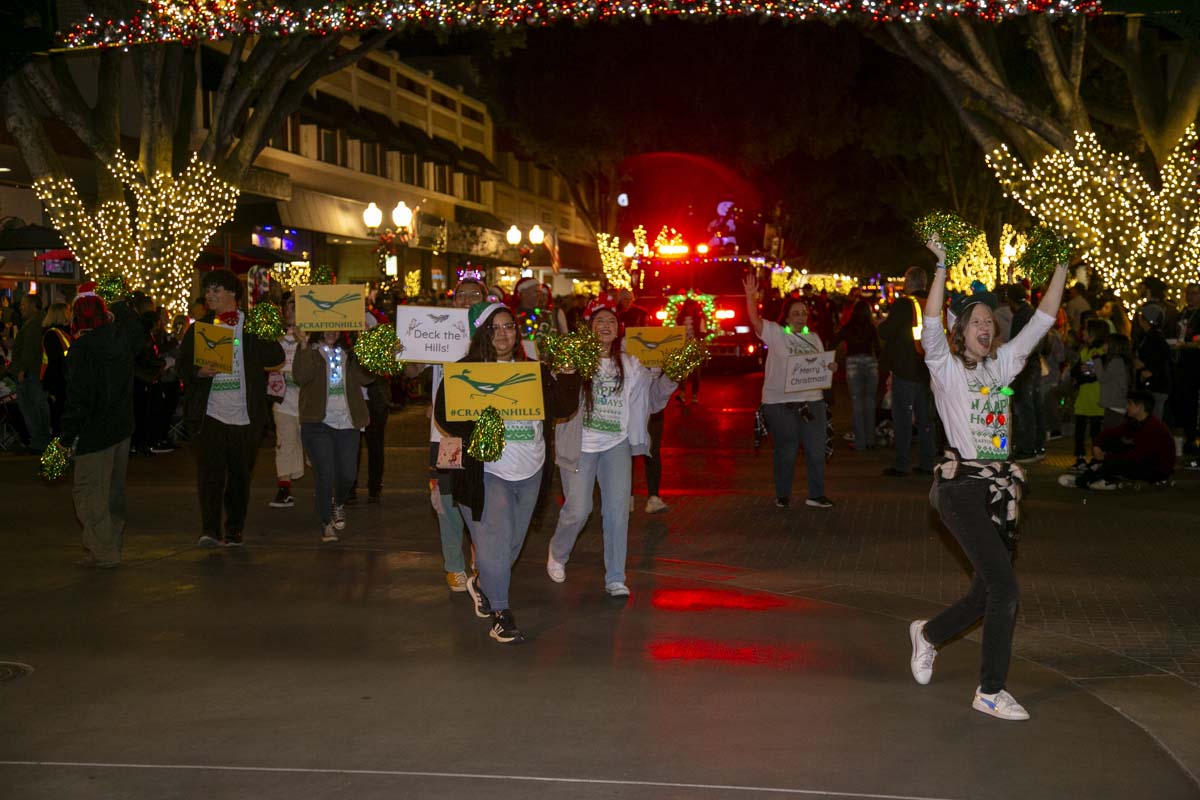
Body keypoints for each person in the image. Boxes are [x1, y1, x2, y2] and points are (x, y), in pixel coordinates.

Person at [907, 237, 1068, 722]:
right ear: (961, 332)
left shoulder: (1003, 365)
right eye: (975, 321)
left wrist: (1060, 265)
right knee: (1006, 589)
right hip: (959, 489)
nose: (985, 326)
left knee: (985, 590)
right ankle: (990, 690)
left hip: (1000, 492)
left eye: (989, 322)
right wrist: (941, 267)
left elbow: (1041, 319)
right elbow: (931, 324)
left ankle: (929, 635)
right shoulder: (947, 370)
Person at [434, 302, 580, 643]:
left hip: (530, 468)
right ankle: (501, 612)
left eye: (509, 327)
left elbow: (562, 406)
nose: (503, 334)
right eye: (495, 328)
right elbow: (444, 414)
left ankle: (483, 583)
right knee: (496, 542)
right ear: (483, 333)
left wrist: (571, 371)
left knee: (511, 543)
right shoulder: (465, 370)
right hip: (487, 470)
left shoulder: (535, 371)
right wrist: (478, 420)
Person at [548, 296, 676, 597]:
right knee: (579, 510)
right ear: (590, 328)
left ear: (619, 330)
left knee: (618, 511)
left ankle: (615, 576)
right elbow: (556, 394)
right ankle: (558, 551)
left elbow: (654, 400)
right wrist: (565, 369)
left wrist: (672, 374)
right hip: (580, 444)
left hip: (616, 444)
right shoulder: (577, 359)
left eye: (611, 321)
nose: (605, 325)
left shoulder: (632, 364)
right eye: (599, 321)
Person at [178, 269, 285, 548]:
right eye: (208, 290)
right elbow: (182, 367)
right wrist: (199, 372)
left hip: (245, 415)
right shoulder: (200, 327)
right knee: (210, 474)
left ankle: (234, 528)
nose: (210, 296)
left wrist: (267, 332)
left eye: (216, 290)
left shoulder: (250, 326)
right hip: (210, 413)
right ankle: (210, 530)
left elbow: (276, 356)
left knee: (239, 476)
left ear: (233, 295)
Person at [744, 274, 836, 509]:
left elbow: (820, 365)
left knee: (815, 451)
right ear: (786, 316)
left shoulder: (813, 337)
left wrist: (830, 367)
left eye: (803, 313)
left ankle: (816, 494)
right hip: (781, 404)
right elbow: (755, 321)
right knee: (786, 451)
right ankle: (783, 494)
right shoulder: (776, 333)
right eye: (795, 313)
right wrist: (750, 297)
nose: (800, 317)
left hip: (812, 402)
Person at [60, 285, 134, 568]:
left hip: (93, 432)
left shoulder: (81, 350)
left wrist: (67, 436)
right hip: (121, 427)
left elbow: (79, 398)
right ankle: (106, 543)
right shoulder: (120, 342)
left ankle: (103, 551)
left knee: (89, 491)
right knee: (113, 492)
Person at [421, 277, 485, 591]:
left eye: (476, 295)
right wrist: (404, 349)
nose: (469, 299)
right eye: (463, 295)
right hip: (445, 433)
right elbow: (410, 370)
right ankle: (453, 565)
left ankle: (481, 554)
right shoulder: (439, 332)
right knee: (446, 498)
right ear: (453, 301)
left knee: (481, 495)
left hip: (485, 432)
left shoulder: (495, 335)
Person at [292, 330, 373, 542]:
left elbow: (367, 378)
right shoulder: (311, 351)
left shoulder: (351, 353)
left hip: (348, 423)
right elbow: (300, 376)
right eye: (327, 326)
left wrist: (366, 349)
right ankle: (326, 521)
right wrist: (302, 346)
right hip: (317, 422)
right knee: (324, 473)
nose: (331, 331)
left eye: (336, 326)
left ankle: (338, 503)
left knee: (348, 474)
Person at [879, 267, 935, 476]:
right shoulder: (933, 303)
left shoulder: (904, 304)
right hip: (928, 370)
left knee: (902, 418)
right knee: (925, 419)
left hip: (905, 369)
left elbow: (886, 331)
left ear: (908, 283)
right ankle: (928, 462)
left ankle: (902, 464)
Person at [1058, 391, 1174, 491]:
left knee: (1116, 460)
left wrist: (1108, 457)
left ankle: (1090, 480)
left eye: (1130, 404)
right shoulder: (1136, 423)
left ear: (1140, 407)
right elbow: (1110, 433)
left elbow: (1139, 455)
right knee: (1112, 444)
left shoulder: (1153, 428)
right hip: (1145, 462)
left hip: (1156, 470)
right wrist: (1097, 446)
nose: (1127, 407)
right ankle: (1099, 479)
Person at [620, 299, 670, 514]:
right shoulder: (621, 346)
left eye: (648, 323)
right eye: (642, 323)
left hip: (652, 406)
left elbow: (661, 375)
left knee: (652, 451)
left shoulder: (656, 344)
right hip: (629, 408)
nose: (647, 327)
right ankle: (626, 495)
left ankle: (653, 496)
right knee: (626, 452)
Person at [268, 293, 304, 508]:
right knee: (284, 444)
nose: (288, 311)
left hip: (309, 403)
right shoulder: (276, 338)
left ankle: (325, 487)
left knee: (313, 447)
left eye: (293, 306)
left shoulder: (312, 337)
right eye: (286, 306)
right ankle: (284, 488)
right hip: (283, 401)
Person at [831, 298, 880, 452]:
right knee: (869, 401)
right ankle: (871, 440)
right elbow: (878, 349)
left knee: (857, 402)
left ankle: (860, 442)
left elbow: (833, 342)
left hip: (852, 363)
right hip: (870, 363)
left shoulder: (848, 327)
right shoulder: (872, 328)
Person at [1007, 284, 1045, 463]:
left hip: (1025, 364)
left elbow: (1016, 343)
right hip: (1034, 362)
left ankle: (1027, 448)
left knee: (1024, 406)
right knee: (1034, 405)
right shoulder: (1032, 312)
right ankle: (1038, 445)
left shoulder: (1020, 316)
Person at [1068, 319, 1109, 473]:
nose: (1082, 332)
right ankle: (1079, 458)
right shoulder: (1085, 350)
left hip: (1096, 396)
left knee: (1095, 431)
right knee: (1079, 430)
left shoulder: (1099, 353)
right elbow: (1077, 371)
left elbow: (1093, 375)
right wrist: (1082, 371)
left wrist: (1082, 372)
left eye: (1085, 329)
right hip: (1084, 396)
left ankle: (1097, 458)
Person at [13, 293, 51, 453]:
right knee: (36, 407)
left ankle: (39, 442)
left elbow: (30, 348)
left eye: (23, 304)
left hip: (31, 373)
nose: (21, 307)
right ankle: (40, 440)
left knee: (32, 408)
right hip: (34, 372)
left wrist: (22, 369)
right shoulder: (36, 321)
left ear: (32, 306)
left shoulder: (34, 323)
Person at [40, 302, 73, 436]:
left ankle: (60, 453)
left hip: (63, 383)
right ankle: (56, 455)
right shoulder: (53, 335)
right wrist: (53, 389)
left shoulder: (61, 334)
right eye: (69, 311)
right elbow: (55, 363)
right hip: (59, 384)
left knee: (61, 421)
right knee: (58, 422)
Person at [1134, 303, 1171, 421]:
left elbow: (1164, 357)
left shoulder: (1155, 337)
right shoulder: (1146, 335)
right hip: (1151, 384)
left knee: (1154, 418)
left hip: (1157, 385)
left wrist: (1149, 368)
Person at [1093, 333, 1132, 431]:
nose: (1103, 346)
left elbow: (1102, 378)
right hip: (1117, 405)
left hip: (1115, 406)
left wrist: (1096, 359)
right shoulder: (1120, 361)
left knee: (1110, 437)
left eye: (1106, 344)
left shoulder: (1116, 361)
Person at [673, 298, 707, 405]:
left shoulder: (699, 319)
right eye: (688, 306)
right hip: (683, 347)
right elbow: (675, 332)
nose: (689, 308)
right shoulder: (679, 319)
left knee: (696, 373)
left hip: (695, 347)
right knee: (683, 373)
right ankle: (682, 394)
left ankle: (694, 395)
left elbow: (702, 332)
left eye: (691, 306)